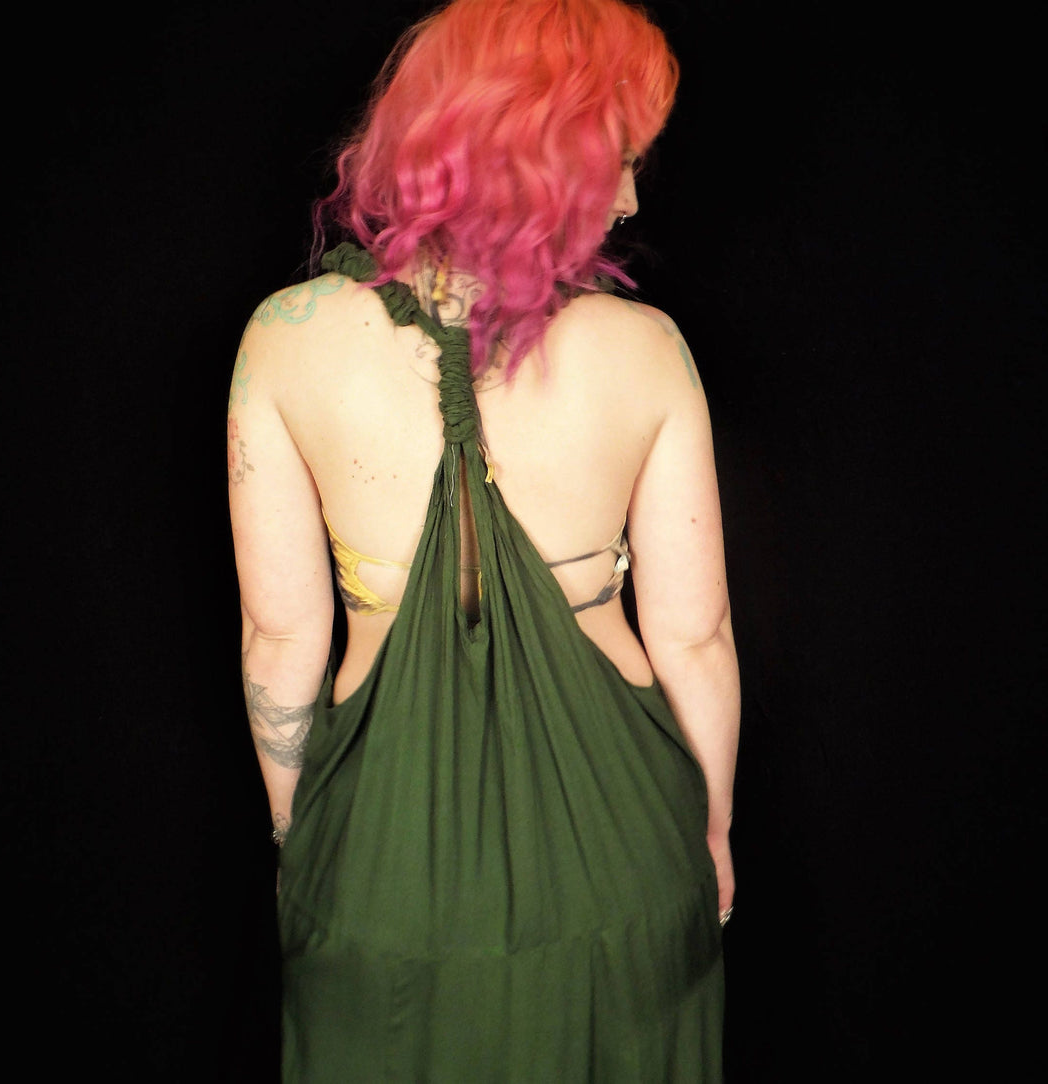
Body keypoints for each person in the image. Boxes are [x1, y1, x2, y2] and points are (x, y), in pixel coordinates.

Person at [228, 0, 739, 1077]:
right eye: (617, 160)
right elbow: (692, 638)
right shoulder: (646, 349)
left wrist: (300, 834)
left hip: (380, 851)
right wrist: (710, 829)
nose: (632, 198)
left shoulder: (282, 340)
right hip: (621, 842)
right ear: (533, 155)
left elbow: (281, 638)